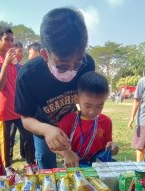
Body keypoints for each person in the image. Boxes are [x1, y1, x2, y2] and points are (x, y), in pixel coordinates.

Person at [15, 7, 95, 169]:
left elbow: (87, 100)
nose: (72, 70)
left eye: (77, 62)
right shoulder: (28, 75)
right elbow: (26, 119)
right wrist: (46, 130)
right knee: (46, 166)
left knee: (80, 164)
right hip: (42, 125)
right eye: (63, 66)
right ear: (45, 54)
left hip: (72, 124)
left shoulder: (87, 65)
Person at [0, 25, 35, 170]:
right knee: (6, 142)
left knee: (28, 137)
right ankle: (6, 169)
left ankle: (31, 165)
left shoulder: (16, 63)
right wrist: (5, 63)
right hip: (4, 109)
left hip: (19, 108)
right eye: (7, 40)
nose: (10, 44)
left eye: (12, 40)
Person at [57, 71, 119, 167]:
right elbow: (58, 146)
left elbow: (108, 145)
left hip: (98, 168)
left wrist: (113, 148)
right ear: (77, 99)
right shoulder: (68, 121)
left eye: (99, 106)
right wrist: (66, 153)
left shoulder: (106, 122)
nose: (92, 111)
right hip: (74, 167)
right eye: (87, 105)